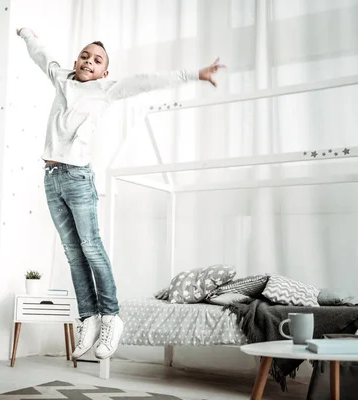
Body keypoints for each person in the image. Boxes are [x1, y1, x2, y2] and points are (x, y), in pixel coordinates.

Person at [16, 27, 225, 360]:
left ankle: (111, 316)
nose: (89, 61)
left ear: (104, 72)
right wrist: (26, 33)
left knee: (91, 247)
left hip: (77, 177)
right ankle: (89, 318)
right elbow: (41, 54)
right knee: (72, 252)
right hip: (51, 177)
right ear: (76, 60)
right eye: (85, 55)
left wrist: (195, 74)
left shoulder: (106, 90)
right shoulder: (61, 79)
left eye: (97, 60)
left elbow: (146, 80)